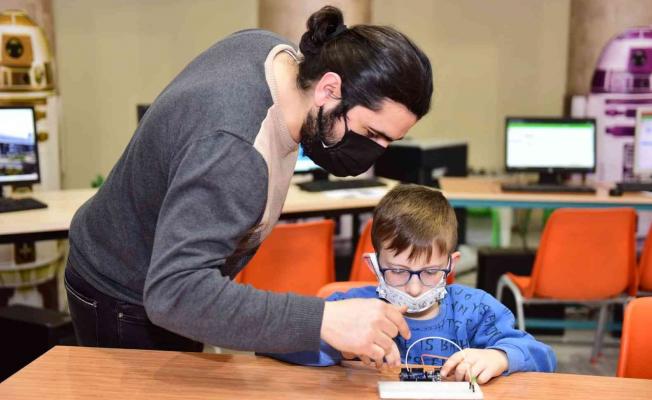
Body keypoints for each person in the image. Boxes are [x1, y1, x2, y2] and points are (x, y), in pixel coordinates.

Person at [63, 5, 432, 366]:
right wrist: (324, 321)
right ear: (329, 89)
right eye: (371, 133)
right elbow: (175, 293)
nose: (376, 151)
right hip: (123, 294)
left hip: (151, 274)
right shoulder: (234, 151)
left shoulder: (273, 54)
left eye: (390, 141)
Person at [268, 185, 556, 384]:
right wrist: (337, 347)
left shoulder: (475, 309)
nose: (415, 289)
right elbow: (274, 344)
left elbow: (543, 356)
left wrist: (499, 357)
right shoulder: (351, 309)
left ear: (451, 265)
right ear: (374, 266)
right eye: (398, 271)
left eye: (430, 272)